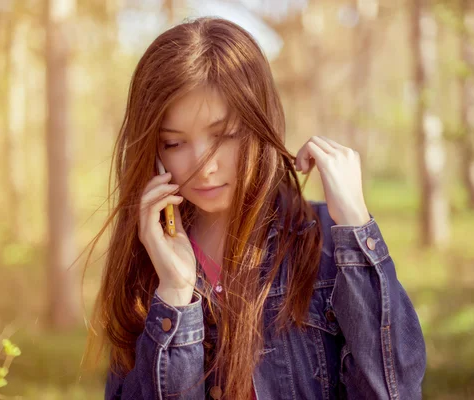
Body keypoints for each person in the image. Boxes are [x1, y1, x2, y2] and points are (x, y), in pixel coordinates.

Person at [81, 16, 426, 400]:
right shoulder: (149, 267)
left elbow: (393, 391)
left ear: (259, 123)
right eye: (174, 144)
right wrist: (176, 294)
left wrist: (356, 226)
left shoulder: (326, 245)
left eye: (225, 136)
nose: (204, 166)